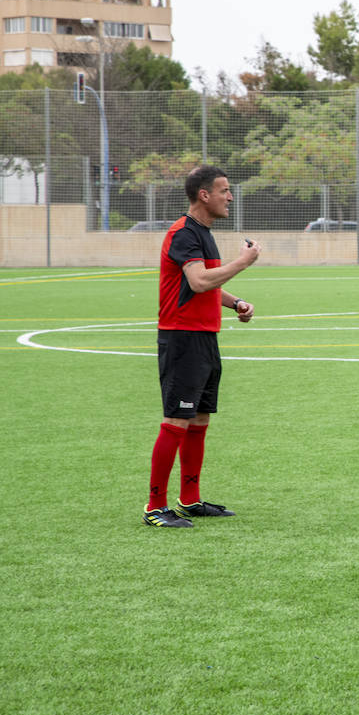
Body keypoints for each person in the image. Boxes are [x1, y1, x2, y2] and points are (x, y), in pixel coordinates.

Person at [143, 165, 261, 527]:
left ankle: (189, 500)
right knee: (177, 419)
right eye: (224, 190)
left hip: (204, 337)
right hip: (182, 337)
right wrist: (243, 262)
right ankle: (154, 507)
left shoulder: (204, 233)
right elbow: (197, 281)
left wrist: (235, 302)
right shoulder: (184, 233)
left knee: (198, 418)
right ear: (204, 195)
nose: (230, 196)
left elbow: (208, 282)